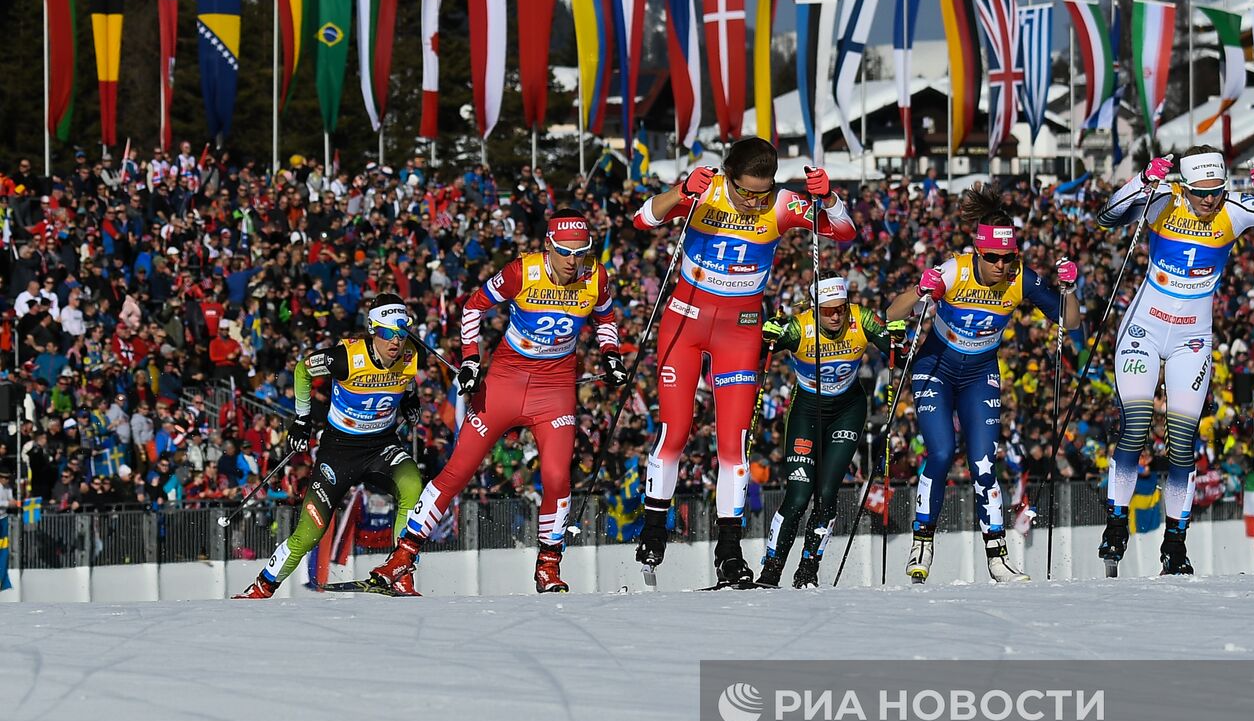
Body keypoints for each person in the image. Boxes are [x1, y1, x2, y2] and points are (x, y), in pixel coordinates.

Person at [630, 137, 856, 585]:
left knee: (734, 444)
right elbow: (642, 219)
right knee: (675, 432)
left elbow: (844, 232)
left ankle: (729, 551)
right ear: (726, 175)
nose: (754, 202)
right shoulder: (706, 188)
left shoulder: (783, 203)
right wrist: (680, 191)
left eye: (761, 192)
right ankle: (654, 528)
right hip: (685, 322)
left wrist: (829, 198)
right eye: (745, 192)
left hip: (740, 328)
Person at [370, 209, 627, 595]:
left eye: (582, 251)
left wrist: (612, 354)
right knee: (457, 471)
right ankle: (403, 556)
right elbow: (473, 306)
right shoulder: (523, 271)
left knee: (557, 477)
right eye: (565, 252)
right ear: (548, 246)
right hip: (506, 381)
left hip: (554, 389)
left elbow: (605, 318)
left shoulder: (596, 276)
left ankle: (548, 566)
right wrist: (471, 360)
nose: (574, 261)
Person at [1095, 148, 1254, 575]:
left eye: (1216, 192)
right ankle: (1117, 523)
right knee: (1135, 427)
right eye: (1201, 194)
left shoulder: (1235, 208)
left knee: (1182, 443)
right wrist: (1140, 181)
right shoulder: (1164, 198)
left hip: (1192, 338)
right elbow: (1108, 217)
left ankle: (1176, 543)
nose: (1210, 202)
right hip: (1144, 330)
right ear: (1185, 186)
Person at [887, 184, 1080, 583]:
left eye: (1009, 259)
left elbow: (1070, 321)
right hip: (936, 368)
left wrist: (1070, 290)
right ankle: (921, 542)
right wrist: (922, 289)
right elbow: (892, 312)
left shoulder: (1020, 279)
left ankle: (997, 556)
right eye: (993, 258)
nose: (1001, 267)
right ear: (978, 253)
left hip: (979, 373)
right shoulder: (954, 270)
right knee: (941, 453)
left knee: (982, 463)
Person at [234, 294, 424, 598]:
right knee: (309, 533)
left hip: (381, 445)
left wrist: (411, 401)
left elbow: (408, 380)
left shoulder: (411, 354)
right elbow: (302, 370)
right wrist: (302, 419)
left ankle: (400, 572)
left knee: (414, 486)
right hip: (340, 451)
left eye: (401, 333)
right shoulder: (345, 358)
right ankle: (261, 587)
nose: (395, 341)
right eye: (387, 333)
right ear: (374, 330)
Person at [756, 275, 906, 588]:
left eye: (841, 308)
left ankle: (808, 571)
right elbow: (759, 352)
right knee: (798, 497)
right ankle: (770, 572)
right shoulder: (799, 327)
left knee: (826, 495)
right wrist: (765, 335)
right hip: (806, 413)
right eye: (828, 311)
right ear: (815, 309)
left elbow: (897, 355)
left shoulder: (861, 319)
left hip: (847, 412)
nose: (837, 316)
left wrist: (898, 339)